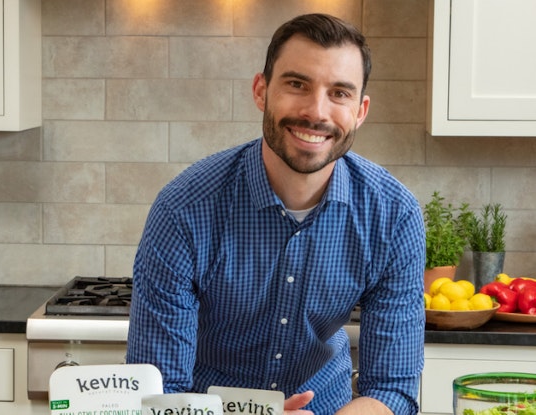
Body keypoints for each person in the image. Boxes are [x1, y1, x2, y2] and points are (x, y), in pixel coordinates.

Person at [126, 13, 425, 415]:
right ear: (261, 91)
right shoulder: (183, 209)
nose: (316, 111)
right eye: (297, 84)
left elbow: (392, 388)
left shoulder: (394, 216)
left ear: (360, 110)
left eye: (339, 93)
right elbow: (161, 390)